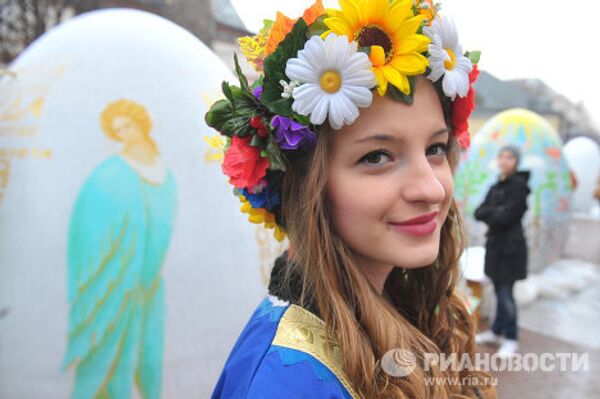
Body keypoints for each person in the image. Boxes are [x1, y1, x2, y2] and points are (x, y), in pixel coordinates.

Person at [205, 0, 495, 397]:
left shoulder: (406, 301)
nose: (431, 188)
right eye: (377, 157)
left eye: (436, 148)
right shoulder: (285, 381)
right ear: (306, 186)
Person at [474, 145, 531, 357]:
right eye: (501, 156)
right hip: (496, 247)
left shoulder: (518, 186)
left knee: (506, 294)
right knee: (498, 291)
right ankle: (496, 332)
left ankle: (511, 338)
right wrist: (494, 212)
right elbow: (479, 212)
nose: (504, 160)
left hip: (511, 249)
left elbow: (508, 216)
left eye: (509, 157)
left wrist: (493, 213)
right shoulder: (497, 185)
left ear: (516, 161)